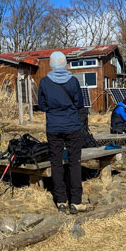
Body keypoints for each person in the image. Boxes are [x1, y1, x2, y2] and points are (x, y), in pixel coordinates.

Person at [34, 52, 91, 214]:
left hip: (53, 127)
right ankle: (76, 201)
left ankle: (61, 201)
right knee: (75, 162)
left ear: (51, 65)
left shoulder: (44, 82)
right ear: (65, 64)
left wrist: (54, 108)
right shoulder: (73, 81)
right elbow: (79, 103)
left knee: (56, 163)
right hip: (72, 126)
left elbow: (42, 105)